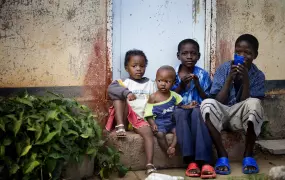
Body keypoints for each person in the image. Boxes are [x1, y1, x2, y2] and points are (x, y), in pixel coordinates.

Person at [200, 34, 265, 175]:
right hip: (222, 114)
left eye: (247, 52)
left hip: (240, 118)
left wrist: (246, 80)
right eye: (238, 52)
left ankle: (248, 156)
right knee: (207, 103)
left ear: (255, 55)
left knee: (255, 102)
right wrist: (229, 78)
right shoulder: (224, 69)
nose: (242, 56)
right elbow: (218, 100)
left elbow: (246, 104)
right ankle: (222, 155)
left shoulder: (258, 75)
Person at [105, 49, 157, 175]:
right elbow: (111, 90)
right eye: (134, 66)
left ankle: (150, 164)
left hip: (140, 119)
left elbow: (158, 99)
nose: (138, 69)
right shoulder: (124, 82)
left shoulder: (151, 84)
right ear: (126, 68)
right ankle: (120, 126)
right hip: (125, 116)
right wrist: (127, 92)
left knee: (148, 134)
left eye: (142, 66)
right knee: (118, 96)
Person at [172, 39, 216, 179]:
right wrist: (181, 86)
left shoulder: (202, 75)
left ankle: (205, 161)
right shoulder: (171, 74)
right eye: (185, 53)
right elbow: (168, 98)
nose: (189, 57)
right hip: (179, 111)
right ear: (178, 56)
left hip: (197, 110)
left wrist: (197, 84)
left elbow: (207, 99)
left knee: (198, 112)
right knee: (180, 113)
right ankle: (190, 162)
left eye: (193, 53)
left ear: (199, 56)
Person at [144, 66, 182, 158]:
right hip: (160, 123)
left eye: (167, 81)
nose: (163, 84)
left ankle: (172, 146)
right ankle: (167, 150)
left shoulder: (175, 96)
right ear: (156, 81)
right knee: (160, 134)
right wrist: (153, 124)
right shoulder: (153, 97)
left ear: (173, 83)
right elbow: (148, 114)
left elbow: (180, 106)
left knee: (179, 131)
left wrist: (188, 106)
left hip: (172, 122)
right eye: (159, 81)